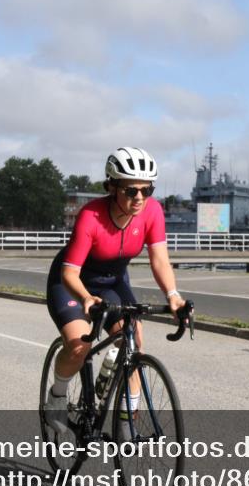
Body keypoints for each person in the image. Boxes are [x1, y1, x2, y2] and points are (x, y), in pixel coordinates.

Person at [44, 147, 186, 432]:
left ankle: (126, 422)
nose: (139, 199)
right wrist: (85, 297)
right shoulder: (91, 216)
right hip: (73, 283)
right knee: (79, 345)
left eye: (147, 191)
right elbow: (70, 272)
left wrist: (173, 295)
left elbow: (159, 260)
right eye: (131, 191)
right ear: (111, 186)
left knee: (135, 342)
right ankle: (57, 396)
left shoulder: (153, 211)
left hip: (113, 281)